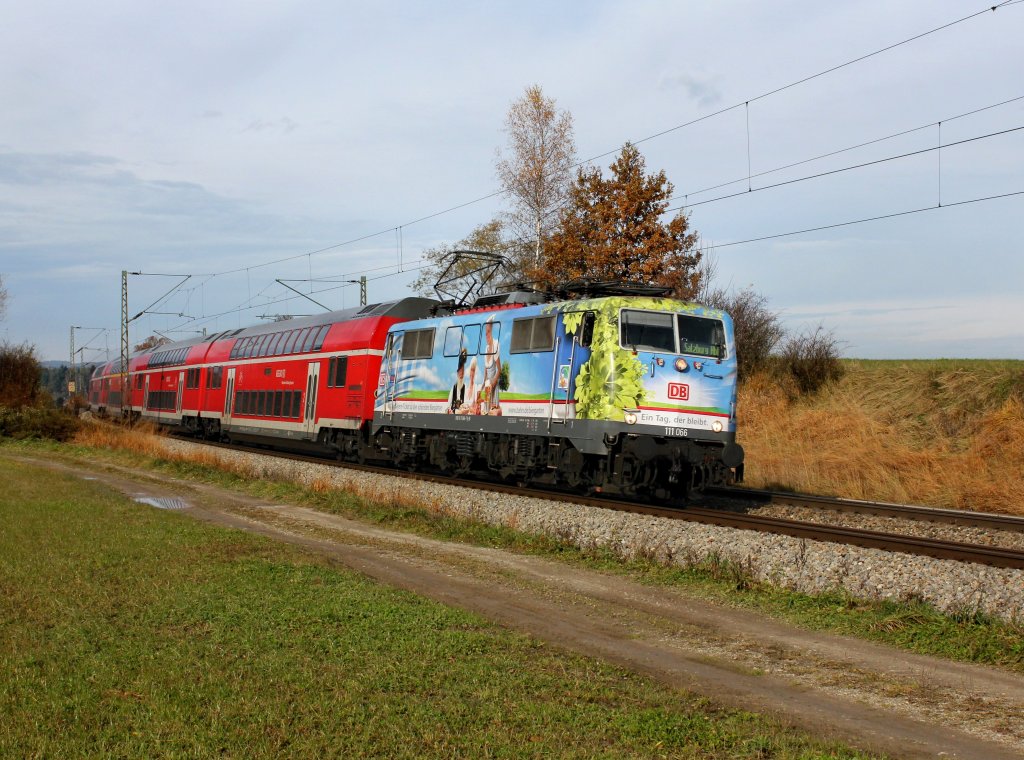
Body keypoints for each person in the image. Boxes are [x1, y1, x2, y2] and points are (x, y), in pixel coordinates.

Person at [481, 316, 502, 415]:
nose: (487, 335)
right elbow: (486, 368)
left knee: (493, 410)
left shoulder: (495, 345)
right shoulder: (486, 349)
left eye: (488, 332)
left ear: (492, 331)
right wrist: (484, 382)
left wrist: (493, 382)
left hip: (493, 383)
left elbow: (499, 369)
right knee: (486, 408)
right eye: (486, 333)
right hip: (487, 384)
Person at [447, 349, 467, 413]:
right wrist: (450, 411)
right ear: (457, 373)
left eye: (462, 372)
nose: (461, 375)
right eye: (460, 372)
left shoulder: (465, 388)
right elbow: (448, 406)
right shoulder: (453, 388)